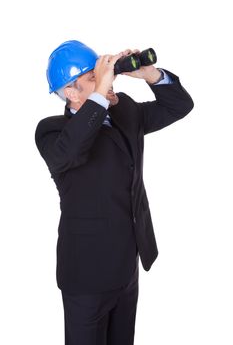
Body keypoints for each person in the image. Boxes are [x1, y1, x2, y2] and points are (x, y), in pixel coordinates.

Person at [35, 40, 194, 345]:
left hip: (126, 268)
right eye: (93, 78)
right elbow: (73, 150)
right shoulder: (51, 132)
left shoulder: (126, 113)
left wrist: (150, 74)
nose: (106, 81)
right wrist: (101, 92)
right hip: (86, 274)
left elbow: (179, 106)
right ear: (71, 92)